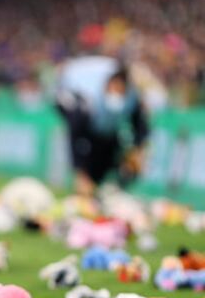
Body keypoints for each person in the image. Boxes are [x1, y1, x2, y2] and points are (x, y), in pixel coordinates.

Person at [56, 56, 148, 196]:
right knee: (87, 169)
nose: (116, 92)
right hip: (87, 131)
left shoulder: (131, 99)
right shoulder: (88, 102)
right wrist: (80, 173)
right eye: (113, 87)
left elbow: (141, 126)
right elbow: (75, 136)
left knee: (117, 166)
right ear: (106, 85)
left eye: (120, 89)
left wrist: (138, 149)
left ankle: (107, 191)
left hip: (109, 134)